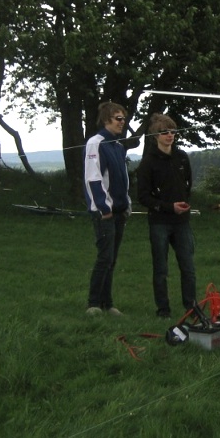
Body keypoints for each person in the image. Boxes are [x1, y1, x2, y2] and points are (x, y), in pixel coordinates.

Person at [136, 113, 196, 319]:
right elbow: (143, 196)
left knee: (188, 267)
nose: (170, 135)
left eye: (172, 131)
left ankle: (191, 308)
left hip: (182, 222)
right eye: (164, 132)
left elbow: (188, 185)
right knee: (161, 269)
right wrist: (169, 207)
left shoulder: (182, 157)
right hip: (159, 222)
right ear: (155, 136)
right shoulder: (148, 162)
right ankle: (163, 310)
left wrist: (183, 204)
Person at [84, 102, 132, 316]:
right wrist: (104, 208)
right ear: (106, 120)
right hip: (104, 212)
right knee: (104, 257)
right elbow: (93, 177)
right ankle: (93, 303)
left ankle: (107, 303)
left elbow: (123, 178)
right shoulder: (96, 143)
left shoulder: (118, 146)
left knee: (112, 258)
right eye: (118, 118)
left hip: (119, 210)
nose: (122, 122)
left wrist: (126, 203)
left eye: (123, 119)